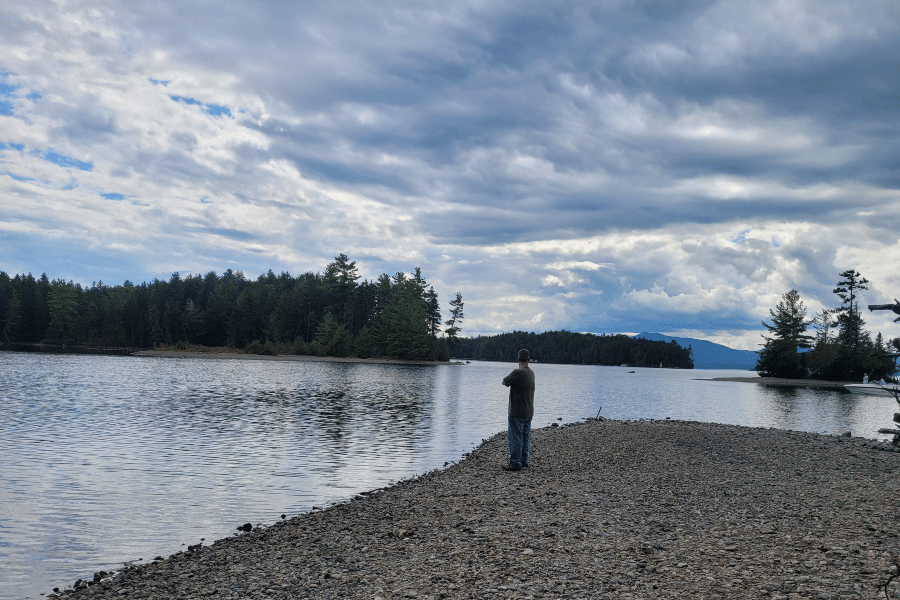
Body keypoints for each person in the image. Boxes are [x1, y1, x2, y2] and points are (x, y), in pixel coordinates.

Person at [501, 349, 535, 472]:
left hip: (516, 412)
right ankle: (523, 460)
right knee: (525, 437)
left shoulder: (517, 372)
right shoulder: (531, 373)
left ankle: (515, 463)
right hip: (529, 410)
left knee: (515, 437)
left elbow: (504, 381)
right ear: (529, 360)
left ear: (517, 360)